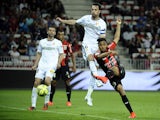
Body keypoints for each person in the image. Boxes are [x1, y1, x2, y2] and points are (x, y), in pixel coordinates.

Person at [56, 3, 108, 106]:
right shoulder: (86, 18)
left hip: (96, 46)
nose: (93, 11)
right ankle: (98, 78)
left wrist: (102, 50)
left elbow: (102, 38)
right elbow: (74, 22)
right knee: (90, 58)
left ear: (99, 11)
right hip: (86, 44)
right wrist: (63, 21)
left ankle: (88, 96)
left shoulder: (102, 23)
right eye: (92, 9)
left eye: (95, 10)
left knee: (93, 70)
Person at [94, 18, 136, 119]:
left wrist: (118, 24)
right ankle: (132, 113)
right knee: (121, 90)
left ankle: (104, 78)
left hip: (119, 70)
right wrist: (110, 53)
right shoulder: (97, 54)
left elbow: (116, 38)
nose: (103, 46)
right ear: (99, 46)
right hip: (112, 77)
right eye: (101, 45)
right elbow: (99, 57)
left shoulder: (109, 47)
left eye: (104, 44)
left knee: (113, 67)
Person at [28, 25, 64, 111]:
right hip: (42, 65)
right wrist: (35, 64)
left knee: (47, 81)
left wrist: (58, 63)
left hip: (52, 65)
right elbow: (39, 53)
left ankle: (46, 103)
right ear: (47, 32)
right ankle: (33, 105)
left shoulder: (58, 42)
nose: (51, 32)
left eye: (53, 31)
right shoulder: (42, 42)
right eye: (50, 30)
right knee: (36, 83)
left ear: (55, 33)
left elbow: (61, 54)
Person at [48, 31, 76, 107]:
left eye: (62, 34)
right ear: (57, 35)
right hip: (55, 66)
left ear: (64, 36)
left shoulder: (67, 44)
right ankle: (50, 101)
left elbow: (72, 55)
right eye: (59, 34)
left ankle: (69, 101)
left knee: (67, 82)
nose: (61, 36)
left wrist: (74, 66)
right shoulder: (54, 44)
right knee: (53, 82)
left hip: (64, 66)